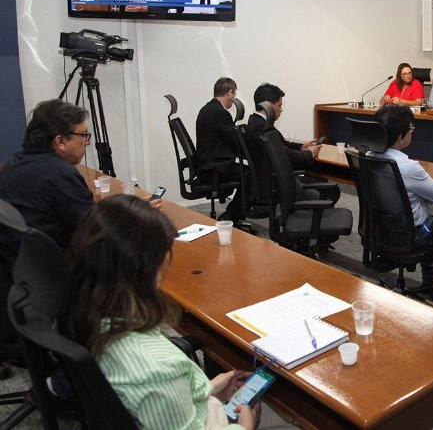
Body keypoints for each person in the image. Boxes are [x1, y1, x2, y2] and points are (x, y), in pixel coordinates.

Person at [60, 195, 260, 429]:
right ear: (141, 271)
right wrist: (244, 426)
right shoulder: (156, 368)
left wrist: (206, 389)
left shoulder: (79, 312)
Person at [372, 105, 433, 305]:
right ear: (400, 135)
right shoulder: (408, 167)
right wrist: (420, 195)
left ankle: (430, 280)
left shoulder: (369, 156)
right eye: (411, 127)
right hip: (411, 234)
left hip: (381, 230)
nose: (413, 130)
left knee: (428, 218)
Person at [0, 99, 93, 276]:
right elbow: (95, 230)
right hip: (54, 274)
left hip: (17, 270)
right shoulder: (62, 175)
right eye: (84, 136)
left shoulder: (15, 163)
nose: (87, 143)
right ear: (60, 141)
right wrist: (132, 214)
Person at [245, 83, 336, 206]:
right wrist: (309, 153)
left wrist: (301, 146)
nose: (281, 109)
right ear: (269, 106)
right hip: (278, 182)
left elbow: (281, 144)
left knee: (324, 183)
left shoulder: (256, 121)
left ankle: (307, 218)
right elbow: (284, 155)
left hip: (274, 178)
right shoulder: (262, 128)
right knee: (331, 192)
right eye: (279, 105)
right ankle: (306, 219)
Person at [195, 77, 246, 222]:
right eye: (234, 94)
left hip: (208, 164)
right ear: (230, 93)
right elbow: (235, 139)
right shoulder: (219, 113)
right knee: (250, 175)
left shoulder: (208, 108)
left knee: (247, 171)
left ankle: (236, 213)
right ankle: (231, 216)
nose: (234, 97)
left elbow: (228, 135)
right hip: (213, 168)